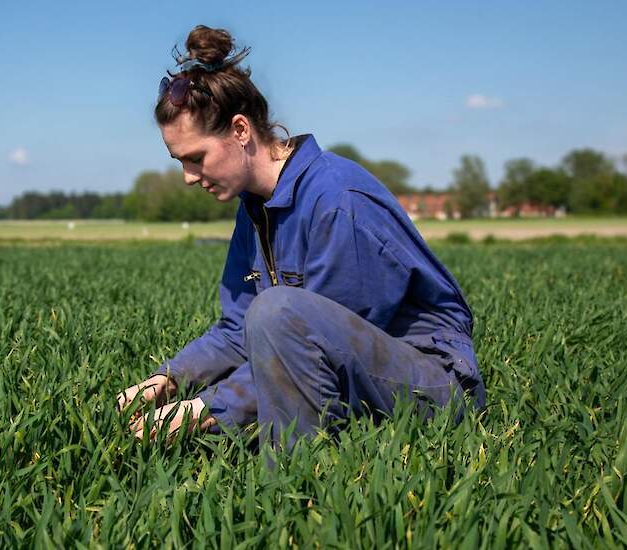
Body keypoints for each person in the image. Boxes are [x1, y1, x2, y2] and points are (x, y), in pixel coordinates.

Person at [117, 25, 486, 451]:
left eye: (196, 158)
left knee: (276, 312)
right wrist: (165, 379)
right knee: (268, 318)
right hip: (355, 374)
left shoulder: (335, 199)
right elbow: (239, 327)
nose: (187, 177)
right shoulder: (255, 205)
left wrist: (203, 409)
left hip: (434, 389)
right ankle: (290, 476)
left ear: (240, 131)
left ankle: (294, 491)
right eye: (179, 161)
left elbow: (304, 341)